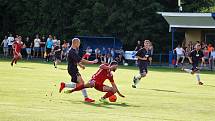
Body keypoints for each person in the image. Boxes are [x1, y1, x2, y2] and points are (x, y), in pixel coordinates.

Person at [59, 38, 98, 103]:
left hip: (73, 69)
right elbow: (81, 60)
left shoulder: (73, 50)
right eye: (79, 43)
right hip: (72, 69)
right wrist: (92, 62)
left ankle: (64, 85)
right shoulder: (71, 51)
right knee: (82, 83)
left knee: (80, 84)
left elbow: (75, 60)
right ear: (75, 43)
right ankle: (86, 98)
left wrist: (80, 65)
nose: (79, 44)